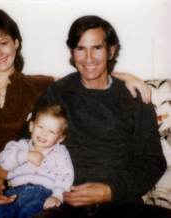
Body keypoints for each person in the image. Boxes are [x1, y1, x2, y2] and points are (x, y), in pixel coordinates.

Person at [0, 8, 151, 218]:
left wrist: (122, 76)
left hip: (12, 168)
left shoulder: (41, 85)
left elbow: (85, 75)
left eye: (3, 42)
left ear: (16, 43)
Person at [29, 15, 171, 218]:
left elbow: (152, 160)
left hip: (121, 203)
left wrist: (109, 190)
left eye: (97, 48)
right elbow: (27, 138)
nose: (88, 58)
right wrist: (0, 173)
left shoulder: (134, 97)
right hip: (65, 204)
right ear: (72, 52)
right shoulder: (58, 92)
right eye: (80, 49)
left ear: (111, 50)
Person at [0, 104, 74, 218]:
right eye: (40, 127)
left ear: (60, 138)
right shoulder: (18, 146)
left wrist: (57, 196)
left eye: (51, 132)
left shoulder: (60, 152)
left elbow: (66, 175)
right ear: (31, 126)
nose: (44, 134)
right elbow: (4, 161)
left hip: (41, 194)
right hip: (12, 193)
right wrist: (25, 155)